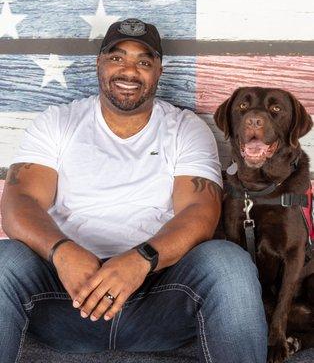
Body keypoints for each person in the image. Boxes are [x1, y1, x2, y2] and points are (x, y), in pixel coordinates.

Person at [0, 18, 267, 363]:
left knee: (229, 263)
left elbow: (199, 213)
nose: (129, 71)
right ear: (99, 63)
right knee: (5, 260)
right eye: (117, 58)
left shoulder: (184, 128)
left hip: (156, 299)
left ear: (159, 70)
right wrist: (62, 252)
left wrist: (142, 259)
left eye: (143, 61)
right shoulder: (58, 122)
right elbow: (20, 201)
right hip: (66, 296)